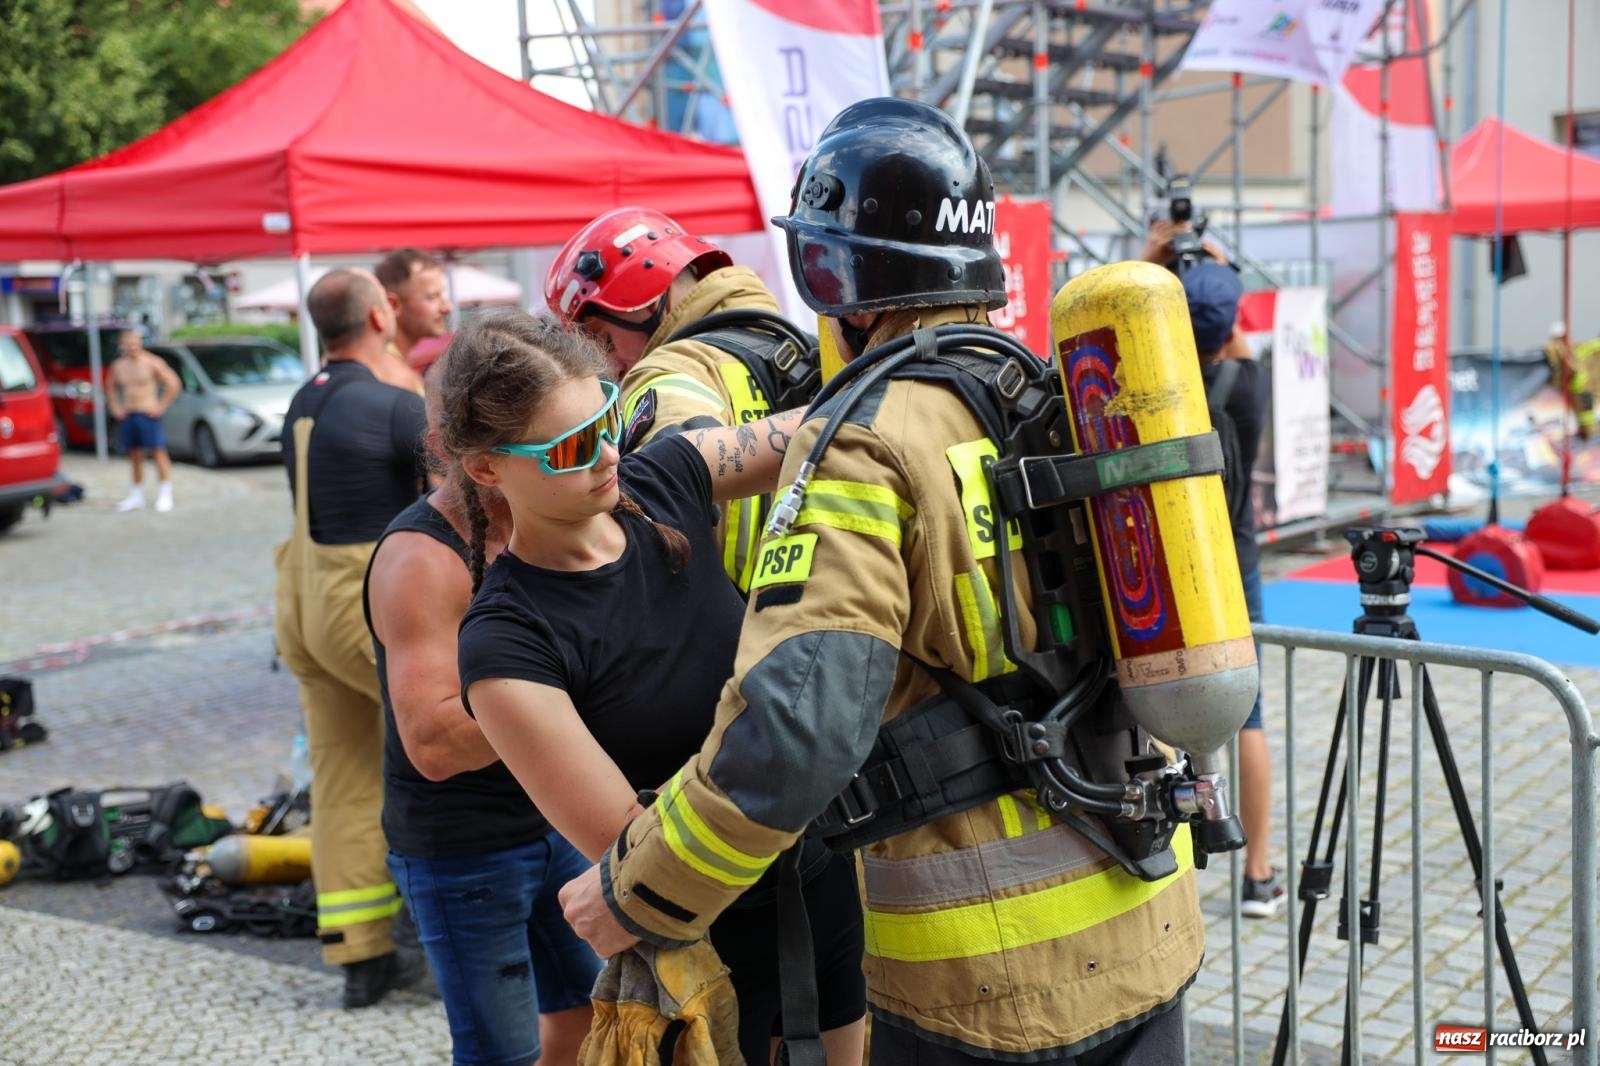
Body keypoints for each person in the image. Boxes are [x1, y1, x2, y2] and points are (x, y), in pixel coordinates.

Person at [561, 98, 1204, 1064]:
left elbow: (796, 730)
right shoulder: (1053, 395)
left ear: (838, 280)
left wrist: (635, 890)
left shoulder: (861, 445)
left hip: (981, 979)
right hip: (1149, 922)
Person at [437, 311, 866, 1065]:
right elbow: (633, 844)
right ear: (486, 469)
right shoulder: (506, 643)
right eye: (571, 446)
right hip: (710, 943)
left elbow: (829, 428)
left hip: (823, 889)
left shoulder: (660, 478)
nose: (606, 453)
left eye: (607, 414)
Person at [364, 352, 598, 1065]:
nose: (593, 457)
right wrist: (580, 687)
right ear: (460, 454)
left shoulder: (548, 512)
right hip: (462, 847)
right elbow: (433, 743)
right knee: (501, 1051)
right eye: (566, 445)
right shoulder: (422, 560)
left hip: (548, 821)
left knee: (590, 1013)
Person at [274, 267, 429, 1008]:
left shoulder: (306, 399)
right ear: (378, 315)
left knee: (342, 777)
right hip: (357, 596)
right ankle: (492, 928)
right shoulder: (394, 404)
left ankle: (361, 956)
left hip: (298, 599)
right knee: (467, 742)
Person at [546, 207, 819, 593]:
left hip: (738, 641)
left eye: (603, 340)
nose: (610, 366)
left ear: (640, 303)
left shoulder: (663, 375)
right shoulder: (799, 348)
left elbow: (662, 510)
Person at [107, 329, 182, 513]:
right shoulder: (119, 366)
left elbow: (173, 383)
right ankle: (136, 495)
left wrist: (160, 406)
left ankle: (165, 493)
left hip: (147, 412)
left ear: (140, 342)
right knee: (134, 455)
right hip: (129, 413)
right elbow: (109, 387)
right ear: (122, 345)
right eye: (128, 342)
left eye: (135, 342)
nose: (132, 346)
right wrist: (115, 406)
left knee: (158, 453)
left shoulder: (152, 362)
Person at [375, 247, 453, 376]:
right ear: (393, 304)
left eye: (442, 295)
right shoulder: (388, 374)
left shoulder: (391, 365)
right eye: (432, 297)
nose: (447, 307)